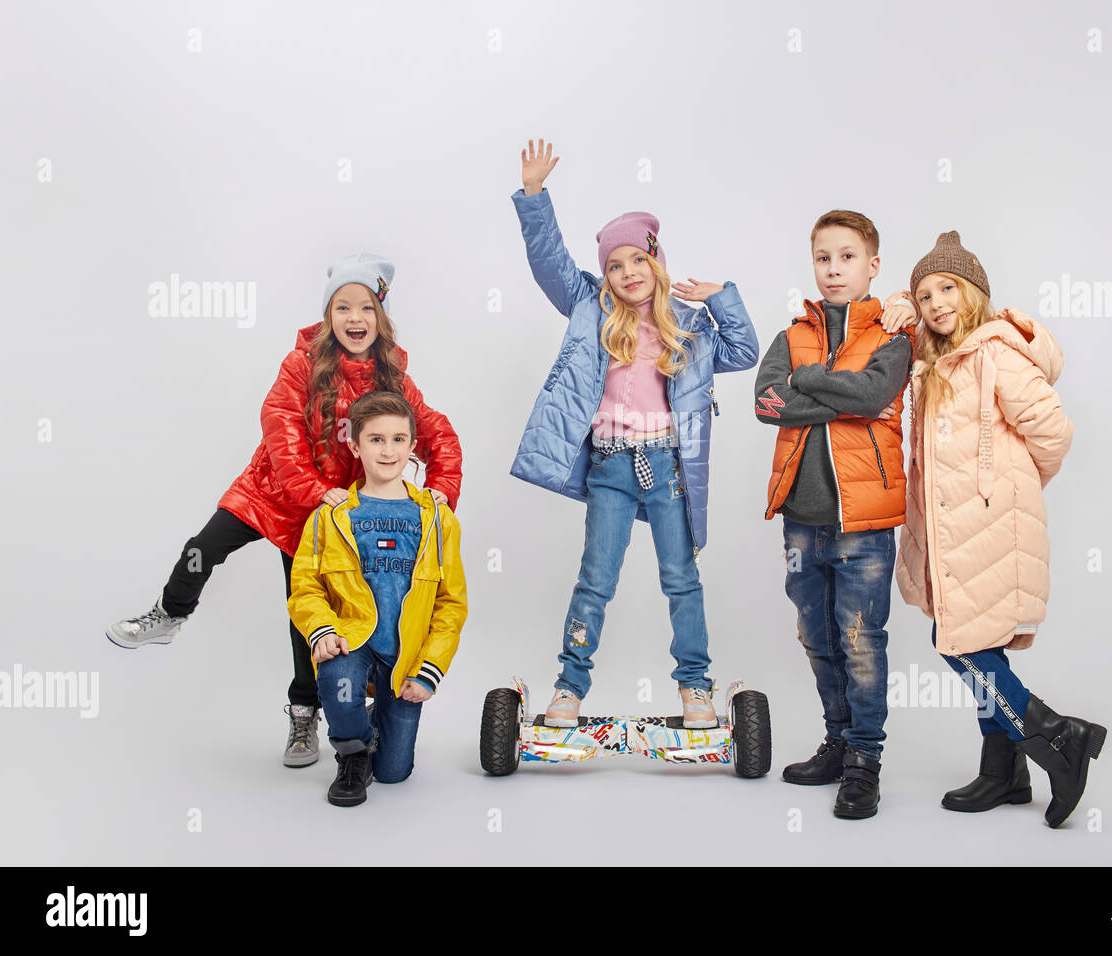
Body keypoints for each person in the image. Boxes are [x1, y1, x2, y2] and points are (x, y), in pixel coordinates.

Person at [106, 254, 463, 768]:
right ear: (328, 315)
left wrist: (442, 495)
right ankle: (169, 614)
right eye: (343, 307)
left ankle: (304, 713)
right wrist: (312, 489)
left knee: (305, 616)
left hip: (325, 517)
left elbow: (436, 433)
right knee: (200, 551)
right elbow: (280, 426)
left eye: (366, 307)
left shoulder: (394, 381)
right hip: (274, 491)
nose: (354, 318)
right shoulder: (301, 365)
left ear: (380, 318)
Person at [510, 138, 759, 729]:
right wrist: (535, 197)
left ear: (657, 262)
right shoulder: (589, 310)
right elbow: (549, 263)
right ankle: (570, 686)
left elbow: (746, 350)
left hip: (669, 468)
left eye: (637, 261)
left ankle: (696, 689)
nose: (626, 274)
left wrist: (722, 297)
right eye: (614, 266)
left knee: (681, 578)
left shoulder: (690, 331)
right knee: (596, 578)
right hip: (610, 468)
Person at [896, 230, 1106, 828]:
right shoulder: (934, 359)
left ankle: (1058, 738)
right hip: (950, 528)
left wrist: (1007, 485)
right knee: (975, 640)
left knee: (961, 642)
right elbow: (895, 310)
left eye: (948, 288)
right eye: (926, 292)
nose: (937, 303)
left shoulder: (997, 353)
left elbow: (1054, 433)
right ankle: (1004, 770)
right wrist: (901, 303)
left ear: (974, 294)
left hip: (988, 522)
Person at [754, 208, 918, 819]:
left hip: (864, 523)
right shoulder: (791, 333)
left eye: (847, 257)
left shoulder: (894, 336)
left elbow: (877, 395)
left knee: (861, 643)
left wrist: (810, 382)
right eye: (823, 257)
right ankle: (837, 740)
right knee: (817, 637)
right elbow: (768, 404)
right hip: (802, 517)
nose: (833, 268)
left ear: (872, 266)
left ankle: (864, 762)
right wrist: (836, 395)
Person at [288, 390, 466, 806]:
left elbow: (451, 604)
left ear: (412, 445)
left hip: (405, 653)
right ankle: (351, 752)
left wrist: (429, 670)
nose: (388, 450)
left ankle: (374, 725)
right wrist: (321, 630)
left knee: (393, 774)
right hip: (352, 638)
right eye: (376, 439)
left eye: (399, 439)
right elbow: (305, 586)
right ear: (355, 444)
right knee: (339, 679)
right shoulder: (332, 515)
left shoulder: (438, 519)